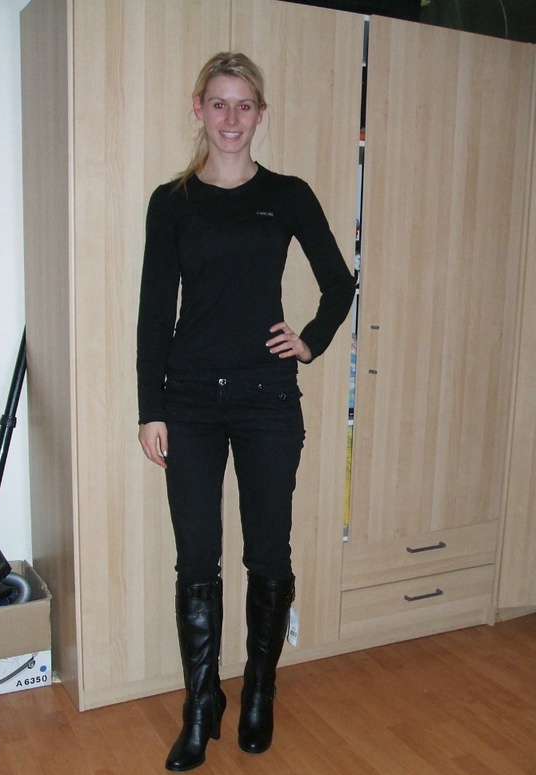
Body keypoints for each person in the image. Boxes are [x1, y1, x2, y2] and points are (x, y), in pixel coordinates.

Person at [137, 52, 356, 772]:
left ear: (260, 113)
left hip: (267, 400)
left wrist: (311, 340)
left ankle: (259, 688)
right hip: (190, 401)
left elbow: (339, 282)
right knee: (196, 557)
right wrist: (150, 407)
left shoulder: (287, 194)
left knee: (267, 551)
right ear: (198, 108)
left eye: (244, 105)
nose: (230, 118)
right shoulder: (172, 202)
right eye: (219, 103)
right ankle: (202, 704)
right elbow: (153, 311)